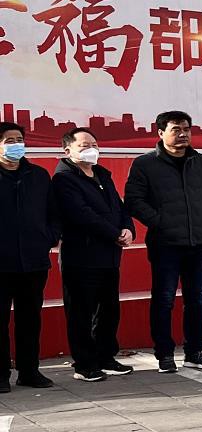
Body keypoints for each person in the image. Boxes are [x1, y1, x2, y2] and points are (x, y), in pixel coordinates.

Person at [125, 112, 202, 373]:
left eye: (187, 129)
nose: (183, 134)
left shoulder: (201, 162)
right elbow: (134, 200)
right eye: (176, 129)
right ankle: (165, 355)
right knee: (164, 300)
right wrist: (160, 222)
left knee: (197, 301)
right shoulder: (145, 164)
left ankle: (195, 352)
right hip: (165, 243)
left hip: (199, 242)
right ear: (160, 133)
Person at [53, 127, 133, 382]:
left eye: (94, 144)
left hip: (108, 256)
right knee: (81, 312)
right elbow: (81, 214)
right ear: (68, 151)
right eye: (84, 145)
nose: (92, 149)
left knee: (109, 309)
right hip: (81, 255)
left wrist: (128, 229)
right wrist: (113, 233)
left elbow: (119, 207)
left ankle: (105, 356)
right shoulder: (64, 179)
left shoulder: (102, 174)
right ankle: (85, 364)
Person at [0, 123, 58, 391]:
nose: (16, 144)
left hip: (33, 260)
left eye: (19, 139)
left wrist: (49, 236)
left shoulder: (38, 175)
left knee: (30, 318)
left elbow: (53, 212)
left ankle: (29, 370)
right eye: (9, 140)